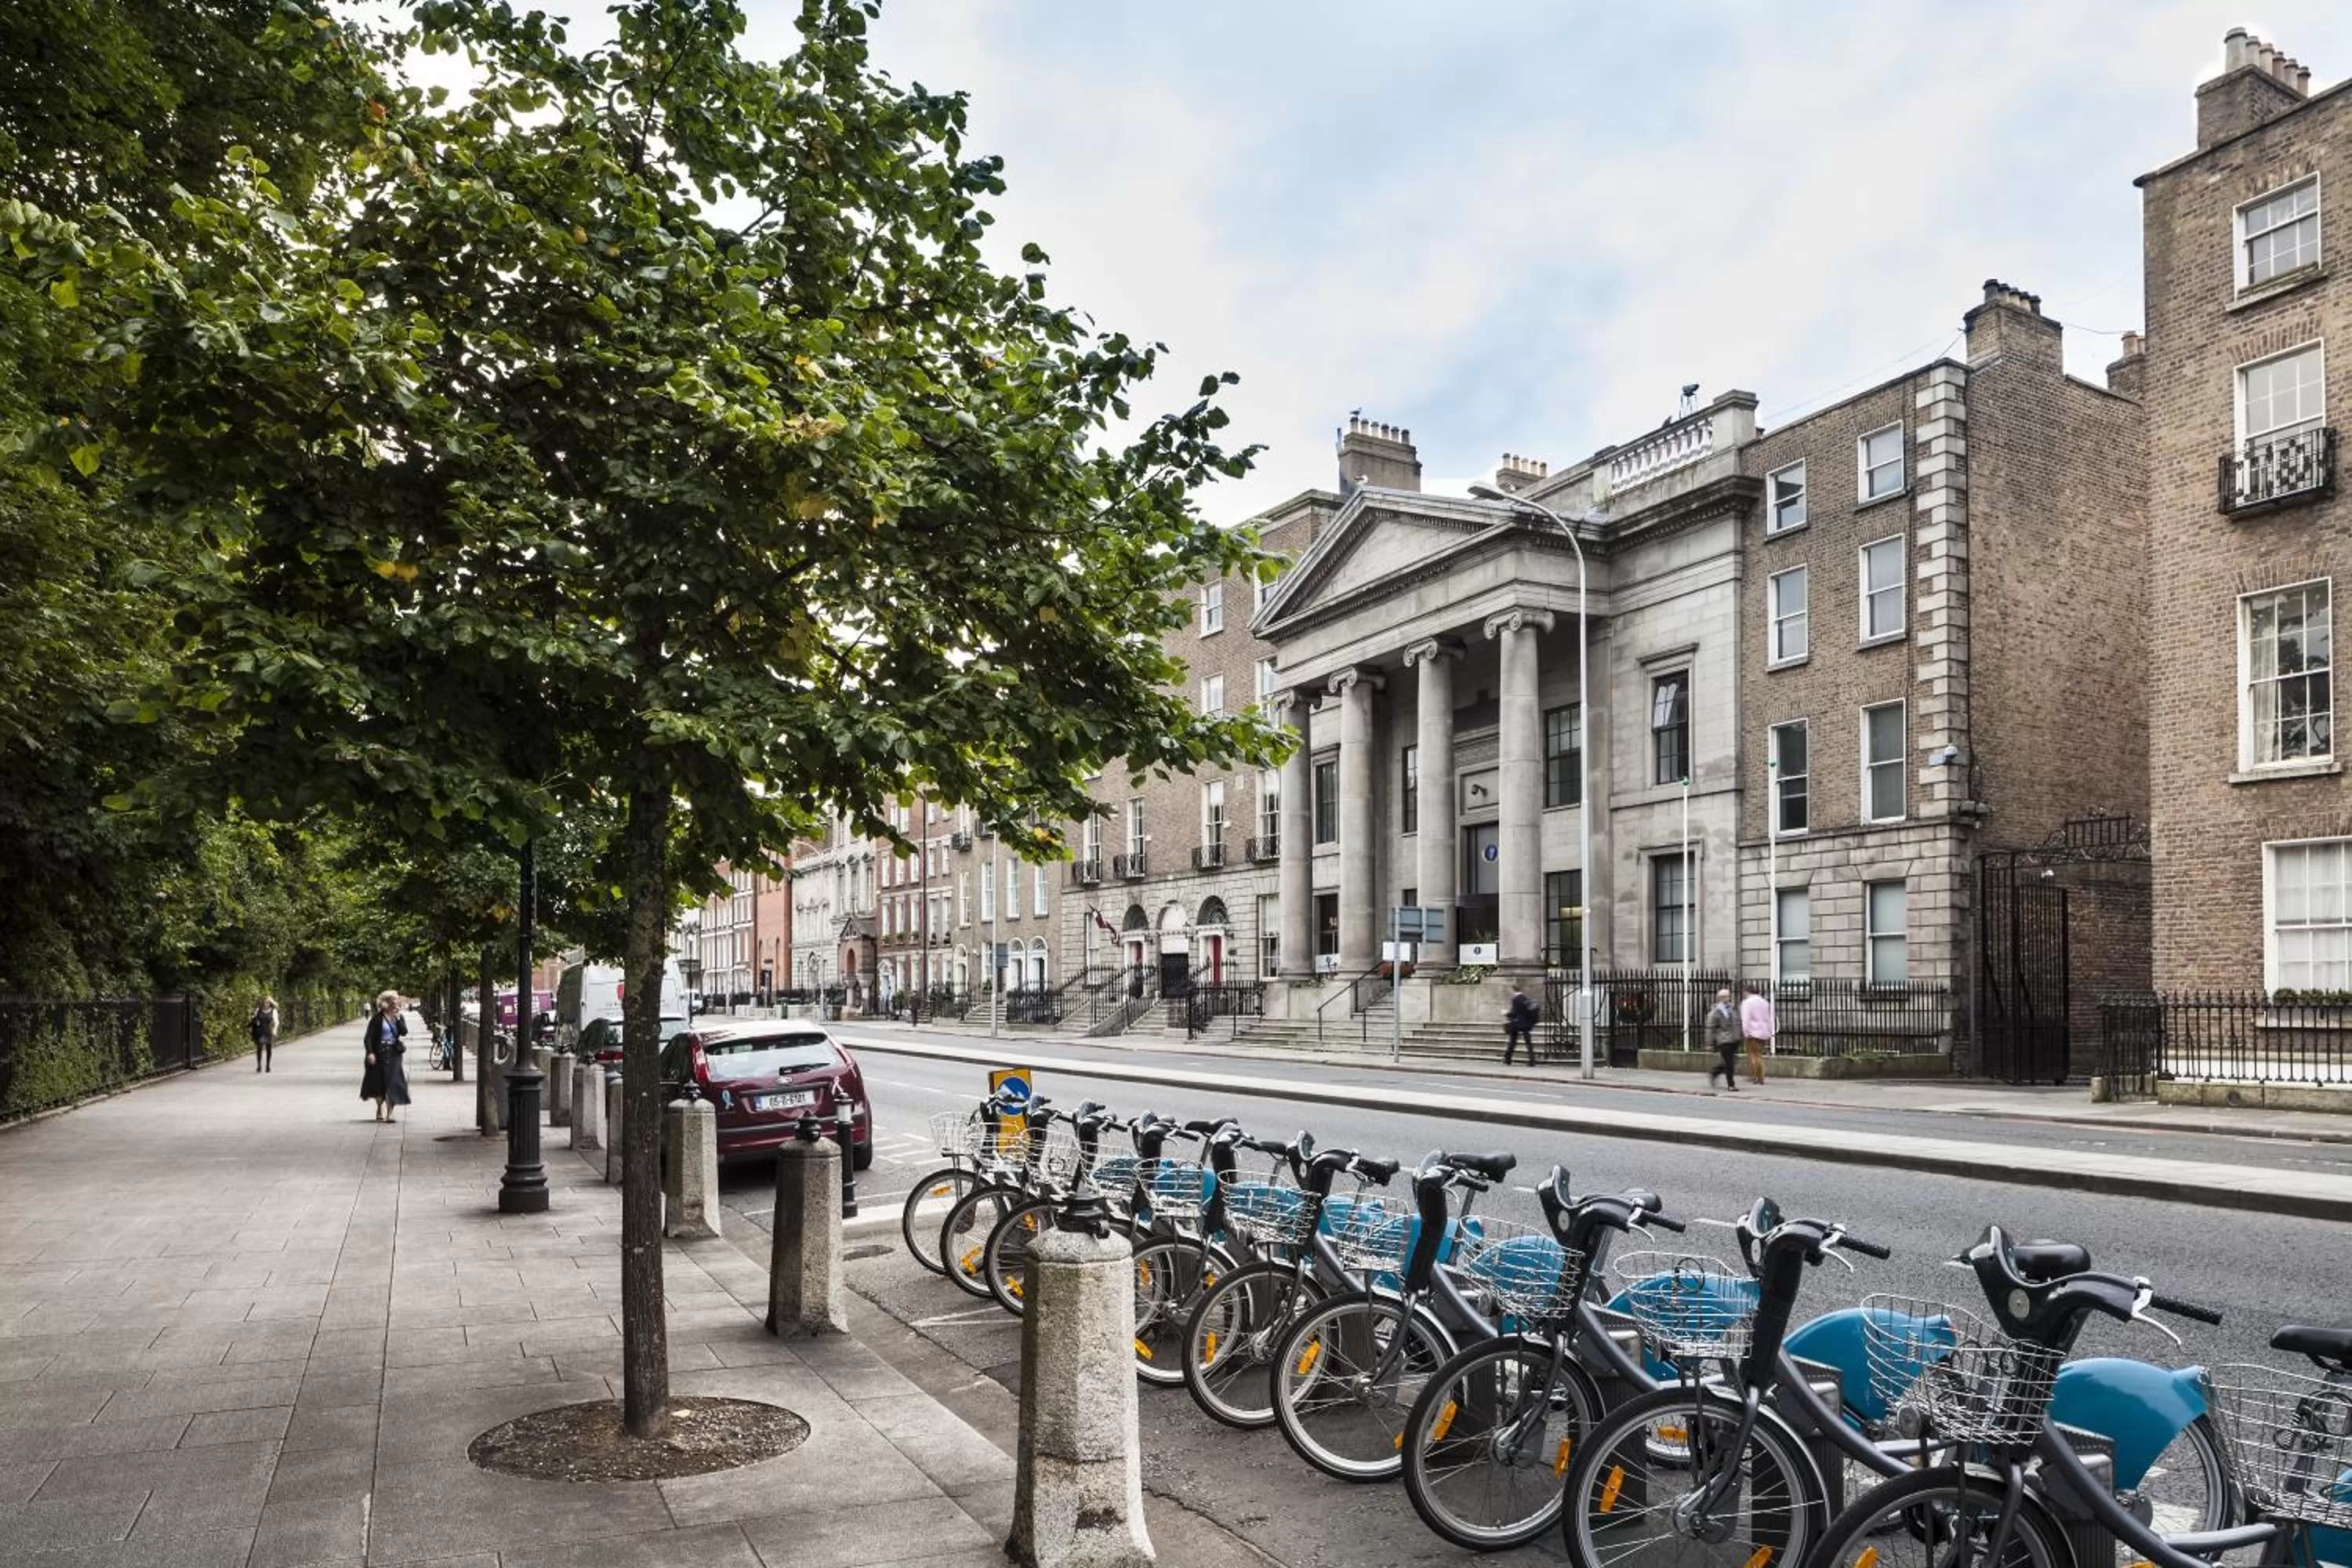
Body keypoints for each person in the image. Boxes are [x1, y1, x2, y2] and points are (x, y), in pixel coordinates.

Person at [361, 990, 412, 1123]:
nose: (396, 1003)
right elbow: (368, 1038)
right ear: (386, 1003)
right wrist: (370, 1053)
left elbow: (404, 1032)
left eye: (397, 1000)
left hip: (394, 1053)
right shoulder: (377, 1019)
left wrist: (398, 1018)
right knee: (379, 1082)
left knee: (393, 1082)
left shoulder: (399, 1017)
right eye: (394, 1000)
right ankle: (379, 1108)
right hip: (379, 1053)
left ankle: (390, 1113)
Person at [1739, 980, 1776, 1086]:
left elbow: (1745, 1019)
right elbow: (1770, 1018)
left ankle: (1756, 1076)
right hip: (1763, 1032)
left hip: (1752, 1032)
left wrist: (1746, 1032)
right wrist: (1770, 1031)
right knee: (1759, 1055)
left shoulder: (1747, 1003)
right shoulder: (1765, 1002)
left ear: (1746, 992)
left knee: (1753, 1055)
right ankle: (1761, 1077)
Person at [1704, 986, 1740, 1091]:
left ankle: (1714, 1072)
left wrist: (1739, 1036)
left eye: (1727, 996)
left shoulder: (1732, 1009)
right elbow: (1710, 1028)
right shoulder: (1716, 1011)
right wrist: (1709, 1043)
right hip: (1723, 1040)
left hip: (1734, 1039)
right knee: (1729, 1062)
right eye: (1723, 997)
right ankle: (1731, 1085)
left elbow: (1737, 1023)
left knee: (1732, 1061)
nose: (1726, 998)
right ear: (1719, 998)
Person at [1502, 986, 1538, 1065]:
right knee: (1528, 1042)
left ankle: (1508, 1059)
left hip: (1517, 1023)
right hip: (1526, 1024)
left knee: (1512, 1041)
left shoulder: (1515, 999)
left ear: (1513, 990)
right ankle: (1532, 1060)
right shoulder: (1526, 998)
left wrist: (1506, 1013)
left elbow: (1514, 1013)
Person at [249, 996, 279, 1073]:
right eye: (264, 1003)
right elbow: (253, 1019)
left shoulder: (273, 1011)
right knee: (259, 1048)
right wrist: (255, 1021)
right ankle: (259, 1066)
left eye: (267, 1003)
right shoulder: (258, 1010)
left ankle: (268, 1066)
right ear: (262, 1003)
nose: (266, 1004)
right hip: (260, 1031)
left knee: (269, 1048)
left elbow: (276, 1022)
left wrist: (275, 1031)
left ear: (270, 1003)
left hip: (269, 1031)